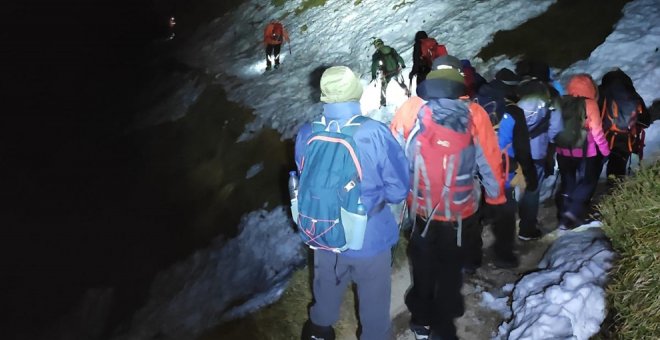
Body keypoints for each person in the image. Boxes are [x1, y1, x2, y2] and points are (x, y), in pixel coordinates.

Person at [295, 66, 410, 340]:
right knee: (374, 304)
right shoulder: (374, 132)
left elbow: (306, 176)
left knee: (325, 292)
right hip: (368, 238)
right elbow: (398, 188)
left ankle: (319, 332)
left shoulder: (307, 132)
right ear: (356, 94)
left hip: (324, 231)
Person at [404, 56, 506, 340]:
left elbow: (397, 155)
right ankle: (443, 325)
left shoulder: (413, 109)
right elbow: (488, 160)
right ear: (459, 80)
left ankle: (421, 319)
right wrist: (496, 198)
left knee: (423, 264)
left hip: (421, 208)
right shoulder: (475, 114)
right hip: (460, 210)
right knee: (450, 268)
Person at [555, 74, 610, 230]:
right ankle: (572, 215)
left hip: (563, 150)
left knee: (568, 181)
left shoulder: (560, 102)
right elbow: (597, 132)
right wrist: (605, 151)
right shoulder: (590, 104)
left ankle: (563, 213)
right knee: (587, 182)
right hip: (587, 152)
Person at [515, 79, 562, 240]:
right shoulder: (551, 97)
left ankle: (508, 218)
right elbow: (556, 128)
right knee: (532, 188)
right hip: (537, 150)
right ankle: (527, 228)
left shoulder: (520, 92)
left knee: (513, 183)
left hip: (514, 149)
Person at [597, 68, 650, 183]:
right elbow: (646, 120)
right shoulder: (632, 94)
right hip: (625, 139)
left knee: (594, 166)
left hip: (602, 136)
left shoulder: (601, 92)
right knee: (617, 169)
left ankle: (585, 191)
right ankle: (614, 192)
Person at [370, 38, 409, 106]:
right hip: (396, 70)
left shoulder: (376, 54)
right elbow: (398, 57)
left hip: (386, 73)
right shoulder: (391, 49)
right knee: (401, 82)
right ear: (382, 43)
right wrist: (402, 64)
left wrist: (373, 75)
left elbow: (374, 65)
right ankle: (408, 93)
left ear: (376, 46)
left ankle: (383, 102)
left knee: (383, 87)